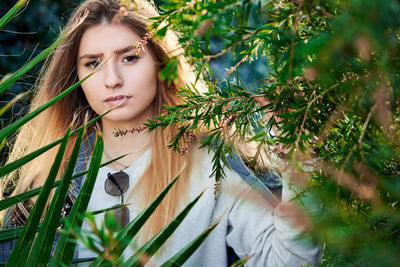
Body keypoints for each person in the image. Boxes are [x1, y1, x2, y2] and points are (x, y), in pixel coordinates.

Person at [0, 0, 322, 265]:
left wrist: (300, 164)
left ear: (160, 62)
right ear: (76, 77)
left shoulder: (211, 167)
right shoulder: (48, 178)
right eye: (93, 63)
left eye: (129, 57)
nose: (111, 79)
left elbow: (290, 260)